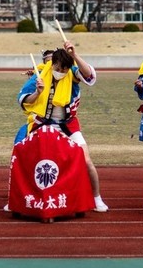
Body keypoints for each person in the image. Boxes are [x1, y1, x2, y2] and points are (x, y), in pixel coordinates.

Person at [17, 41, 109, 212]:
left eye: (64, 70)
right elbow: (22, 101)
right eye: (58, 69)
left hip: (68, 125)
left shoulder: (72, 74)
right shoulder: (39, 76)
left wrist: (74, 55)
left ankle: (97, 197)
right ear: (52, 64)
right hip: (42, 124)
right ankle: (19, 198)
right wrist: (38, 92)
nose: (61, 73)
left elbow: (89, 76)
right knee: (24, 159)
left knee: (86, 160)